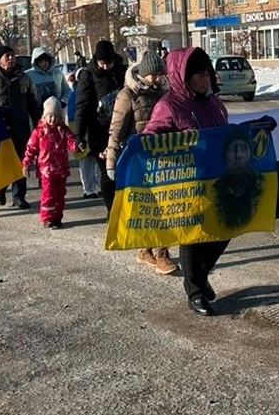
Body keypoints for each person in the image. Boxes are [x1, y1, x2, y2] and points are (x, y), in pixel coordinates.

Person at [144, 47, 229, 316]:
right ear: (183, 76)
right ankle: (195, 292)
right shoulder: (169, 105)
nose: (205, 79)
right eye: (198, 74)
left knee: (226, 227)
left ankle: (200, 277)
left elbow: (227, 133)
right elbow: (151, 136)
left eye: (207, 73)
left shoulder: (214, 103)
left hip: (217, 177)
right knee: (192, 236)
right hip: (187, 182)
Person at [106, 50, 176, 275]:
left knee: (165, 206)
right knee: (149, 208)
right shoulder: (129, 95)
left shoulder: (166, 94)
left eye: (160, 74)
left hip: (164, 158)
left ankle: (162, 253)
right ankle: (147, 250)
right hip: (139, 159)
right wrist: (111, 159)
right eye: (153, 74)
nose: (157, 79)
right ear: (143, 73)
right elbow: (116, 129)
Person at [0, 45, 40, 209]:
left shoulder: (24, 78)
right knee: (2, 162)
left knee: (21, 161)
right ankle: (0, 189)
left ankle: (19, 197)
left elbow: (33, 101)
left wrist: (38, 123)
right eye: (7, 56)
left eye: (12, 55)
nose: (11, 59)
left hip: (20, 126)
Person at [74, 39, 128, 210]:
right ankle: (111, 210)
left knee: (124, 171)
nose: (106, 67)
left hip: (122, 130)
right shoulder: (88, 75)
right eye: (102, 63)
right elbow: (81, 105)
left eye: (109, 63)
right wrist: (79, 135)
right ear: (97, 61)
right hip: (99, 131)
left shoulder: (121, 71)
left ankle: (125, 208)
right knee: (106, 173)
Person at [23, 97, 80, 229]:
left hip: (61, 169)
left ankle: (57, 217)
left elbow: (71, 142)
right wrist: (26, 163)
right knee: (48, 193)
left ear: (60, 118)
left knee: (60, 194)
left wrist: (77, 145)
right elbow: (31, 149)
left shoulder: (63, 131)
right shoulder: (39, 132)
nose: (52, 119)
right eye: (50, 116)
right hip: (46, 170)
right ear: (44, 116)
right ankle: (47, 218)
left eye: (56, 116)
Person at [213, 125, 265, 228]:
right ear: (225, 156)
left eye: (244, 149)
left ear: (250, 154)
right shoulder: (214, 189)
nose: (239, 155)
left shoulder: (262, 184)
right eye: (233, 149)